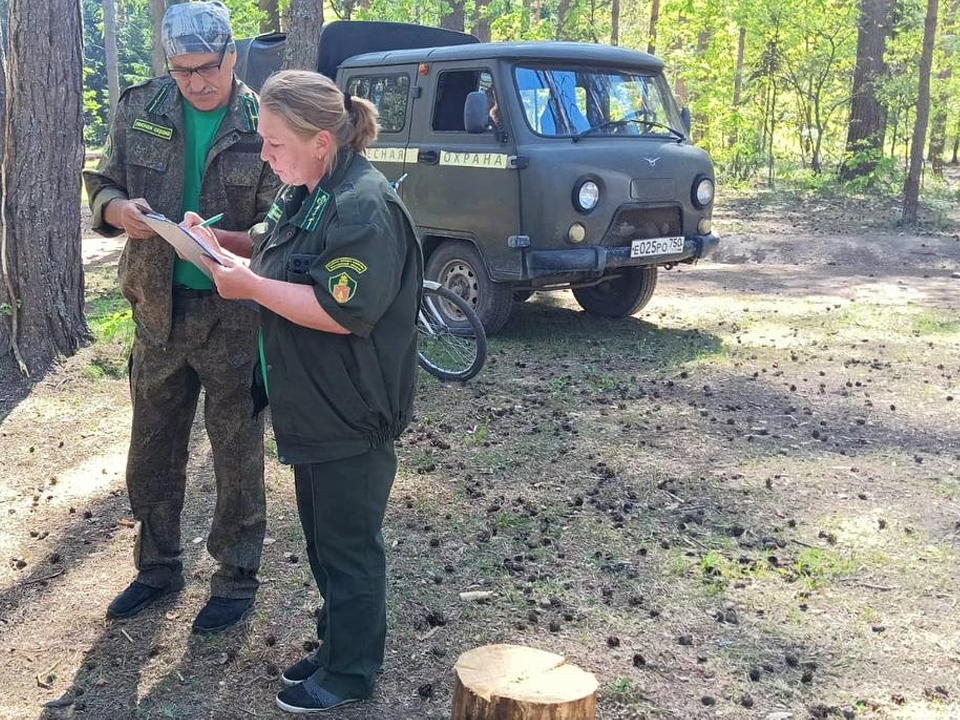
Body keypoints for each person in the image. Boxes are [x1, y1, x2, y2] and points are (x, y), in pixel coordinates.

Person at [189, 70, 422, 714]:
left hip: (352, 408)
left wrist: (251, 287)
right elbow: (271, 250)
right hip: (312, 403)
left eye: (273, 144)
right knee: (323, 539)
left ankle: (351, 675)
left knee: (348, 545)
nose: (264, 155)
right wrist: (216, 248)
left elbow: (340, 310)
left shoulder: (362, 205)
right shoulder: (309, 191)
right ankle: (336, 644)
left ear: (321, 140)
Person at [82, 1, 280, 633]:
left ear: (232, 58)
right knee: (152, 451)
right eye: (180, 68)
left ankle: (235, 576)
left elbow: (287, 220)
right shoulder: (143, 107)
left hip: (234, 317)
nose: (193, 81)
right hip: (156, 311)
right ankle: (156, 567)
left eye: (205, 68)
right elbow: (104, 184)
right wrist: (121, 214)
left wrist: (228, 243)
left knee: (236, 454)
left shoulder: (264, 121)